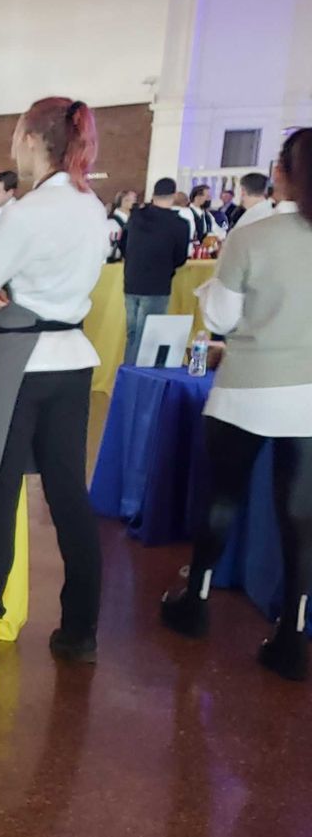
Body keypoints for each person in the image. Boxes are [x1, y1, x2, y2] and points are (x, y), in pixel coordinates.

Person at [0, 97, 110, 670]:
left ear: (32, 138)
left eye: (14, 135)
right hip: (72, 359)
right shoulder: (93, 207)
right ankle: (80, 629)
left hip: (20, 360)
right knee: (68, 496)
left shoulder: (26, 213)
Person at [158, 129, 312, 681]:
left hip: (247, 386)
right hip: (309, 396)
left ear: (282, 173)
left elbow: (221, 318)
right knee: (301, 519)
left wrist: (210, 295)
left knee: (222, 497)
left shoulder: (253, 234)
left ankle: (195, 602)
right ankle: (293, 633)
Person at [122, 178, 191, 366]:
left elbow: (123, 245)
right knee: (147, 338)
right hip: (157, 284)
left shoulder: (136, 216)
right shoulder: (179, 224)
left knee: (133, 334)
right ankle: (136, 376)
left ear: (153, 195)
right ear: (174, 196)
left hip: (132, 281)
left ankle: (127, 372)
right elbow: (180, 258)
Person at [105, 189, 136, 263]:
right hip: (115, 264)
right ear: (124, 201)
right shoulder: (112, 222)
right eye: (134, 200)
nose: (136, 203)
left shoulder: (134, 220)